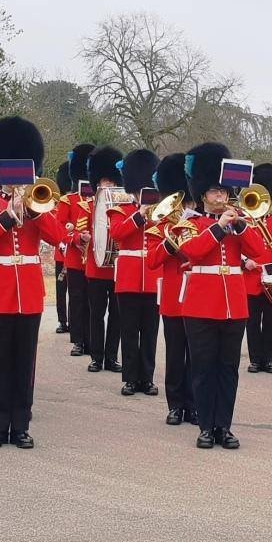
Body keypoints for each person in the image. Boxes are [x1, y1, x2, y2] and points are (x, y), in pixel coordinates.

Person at [0, 117, 65, 449]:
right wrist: (7, 215)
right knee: (0, 361)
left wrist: (34, 211)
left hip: (29, 294)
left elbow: (58, 237)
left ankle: (21, 426)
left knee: (25, 363)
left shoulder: (39, 204)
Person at [178, 142, 267, 450]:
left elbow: (260, 251)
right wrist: (218, 228)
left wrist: (240, 227)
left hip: (234, 306)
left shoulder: (240, 223)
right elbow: (192, 251)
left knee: (228, 369)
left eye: (223, 192)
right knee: (203, 369)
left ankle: (223, 426)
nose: (220, 197)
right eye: (214, 192)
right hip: (200, 306)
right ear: (202, 195)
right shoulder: (190, 223)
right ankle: (205, 426)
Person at [146, 153, 199, 426]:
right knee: (175, 353)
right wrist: (170, 241)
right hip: (172, 298)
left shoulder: (200, 224)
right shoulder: (162, 226)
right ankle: (175, 405)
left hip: (197, 296)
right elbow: (152, 260)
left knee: (196, 355)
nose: (185, 206)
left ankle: (193, 405)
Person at [109, 149, 163, 396]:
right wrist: (139, 215)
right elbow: (117, 233)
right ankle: (130, 378)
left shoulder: (161, 211)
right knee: (129, 331)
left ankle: (147, 379)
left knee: (150, 333)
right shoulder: (120, 209)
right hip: (128, 279)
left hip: (153, 278)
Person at [242, 163, 272, 375]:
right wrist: (244, 261)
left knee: (270, 321)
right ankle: (254, 359)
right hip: (251, 278)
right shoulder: (244, 221)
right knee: (252, 323)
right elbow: (236, 247)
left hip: (271, 280)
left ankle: (267, 359)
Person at [84, 146, 124, 373]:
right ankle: (96, 357)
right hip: (96, 267)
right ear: (97, 183)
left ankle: (111, 357)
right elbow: (79, 232)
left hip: (117, 269)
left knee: (117, 316)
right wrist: (82, 237)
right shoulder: (90, 206)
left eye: (111, 182)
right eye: (104, 182)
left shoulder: (124, 205)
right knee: (96, 314)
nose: (107, 185)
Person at [58, 143, 96, 357]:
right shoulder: (68, 200)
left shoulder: (99, 199)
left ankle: (91, 340)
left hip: (94, 257)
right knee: (77, 299)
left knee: (93, 302)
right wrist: (75, 238)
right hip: (75, 257)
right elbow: (59, 228)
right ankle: (78, 340)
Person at [53, 160, 72, 335]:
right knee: (61, 289)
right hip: (61, 252)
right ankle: (62, 320)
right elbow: (58, 227)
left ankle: (73, 320)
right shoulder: (61, 202)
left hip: (75, 252)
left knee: (74, 291)